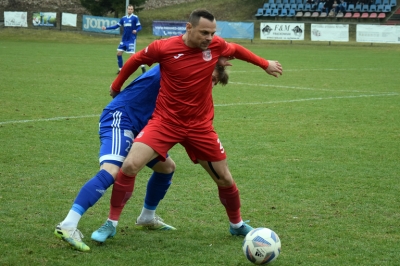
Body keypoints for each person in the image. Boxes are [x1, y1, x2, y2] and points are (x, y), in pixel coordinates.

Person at [91, 9, 283, 242]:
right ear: (188, 28)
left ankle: (237, 224)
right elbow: (136, 59)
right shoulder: (164, 47)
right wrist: (116, 85)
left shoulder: (215, 46)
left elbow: (237, 50)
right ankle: (111, 224)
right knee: (130, 166)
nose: (209, 38)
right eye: (204, 32)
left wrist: (265, 64)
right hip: (165, 122)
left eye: (212, 33)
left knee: (224, 179)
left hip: (199, 127)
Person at [53, 64, 229, 252]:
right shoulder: (175, 64)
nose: (209, 84)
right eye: (210, 78)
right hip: (121, 118)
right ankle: (68, 224)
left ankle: (147, 217)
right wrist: (219, 54)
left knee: (166, 168)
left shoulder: (192, 83)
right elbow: (145, 58)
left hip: (143, 126)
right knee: (111, 171)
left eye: (214, 82)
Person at [101, 4, 146, 75]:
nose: (130, 10)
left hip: (131, 39)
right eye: (129, 9)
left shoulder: (135, 17)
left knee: (132, 57)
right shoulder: (123, 18)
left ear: (133, 10)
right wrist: (106, 28)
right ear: (127, 9)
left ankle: (142, 65)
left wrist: (136, 31)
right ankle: (120, 69)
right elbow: (116, 26)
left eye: (131, 9)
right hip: (124, 40)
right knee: (119, 53)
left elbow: (140, 27)